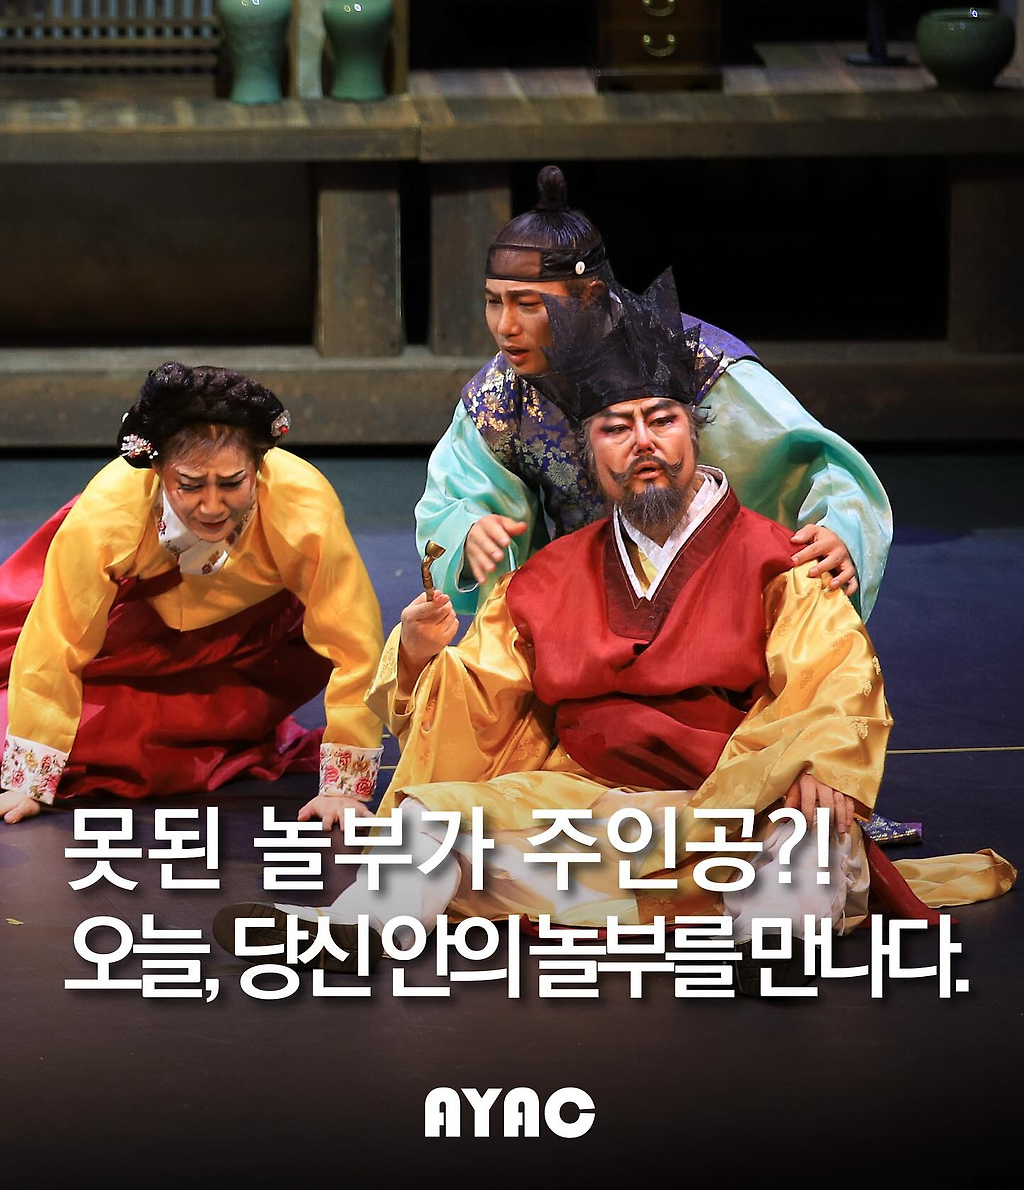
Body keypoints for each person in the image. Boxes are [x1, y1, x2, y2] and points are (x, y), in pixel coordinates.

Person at [216, 274, 1011, 989]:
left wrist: (822, 759)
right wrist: (422, 656)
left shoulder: (778, 559)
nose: (643, 445)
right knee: (432, 816)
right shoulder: (549, 576)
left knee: (809, 830)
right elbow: (478, 700)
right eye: (616, 428)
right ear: (589, 452)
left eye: (661, 420)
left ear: (694, 430)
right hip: (599, 812)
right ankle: (356, 928)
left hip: (739, 808)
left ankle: (769, 941)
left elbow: (836, 677)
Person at [416, 164, 892, 622]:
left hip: (715, 591)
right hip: (587, 603)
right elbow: (453, 496)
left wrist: (840, 530)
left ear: (589, 296)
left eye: (528, 304)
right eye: (493, 302)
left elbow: (822, 465)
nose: (505, 327)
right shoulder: (502, 397)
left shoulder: (695, 363)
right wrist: (470, 532)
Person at [0, 362, 383, 824]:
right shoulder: (108, 514)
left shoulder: (305, 510)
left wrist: (343, 787)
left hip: (242, 655)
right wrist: (28, 781)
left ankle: (228, 733)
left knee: (120, 744)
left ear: (259, 467)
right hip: (119, 636)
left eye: (232, 483)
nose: (212, 506)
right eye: (190, 485)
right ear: (157, 470)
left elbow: (354, 642)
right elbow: (56, 639)